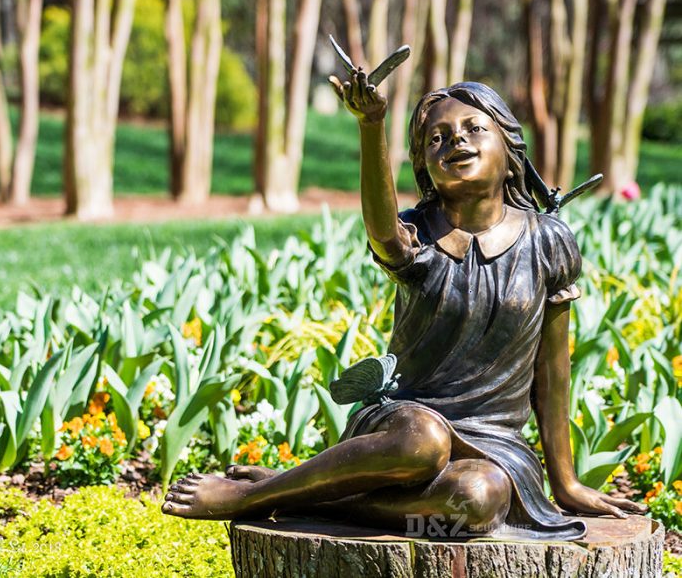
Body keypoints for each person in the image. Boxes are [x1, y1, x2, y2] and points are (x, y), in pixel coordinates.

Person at [162, 73, 643, 539]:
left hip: (494, 443)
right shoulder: (420, 236)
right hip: (403, 422)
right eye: (437, 138)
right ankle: (248, 498)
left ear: (510, 149)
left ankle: (295, 493)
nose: (455, 141)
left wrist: (566, 482)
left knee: (479, 502)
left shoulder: (549, 243)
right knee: (424, 442)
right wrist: (371, 126)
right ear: (425, 166)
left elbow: (553, 370)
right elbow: (383, 232)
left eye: (474, 128)